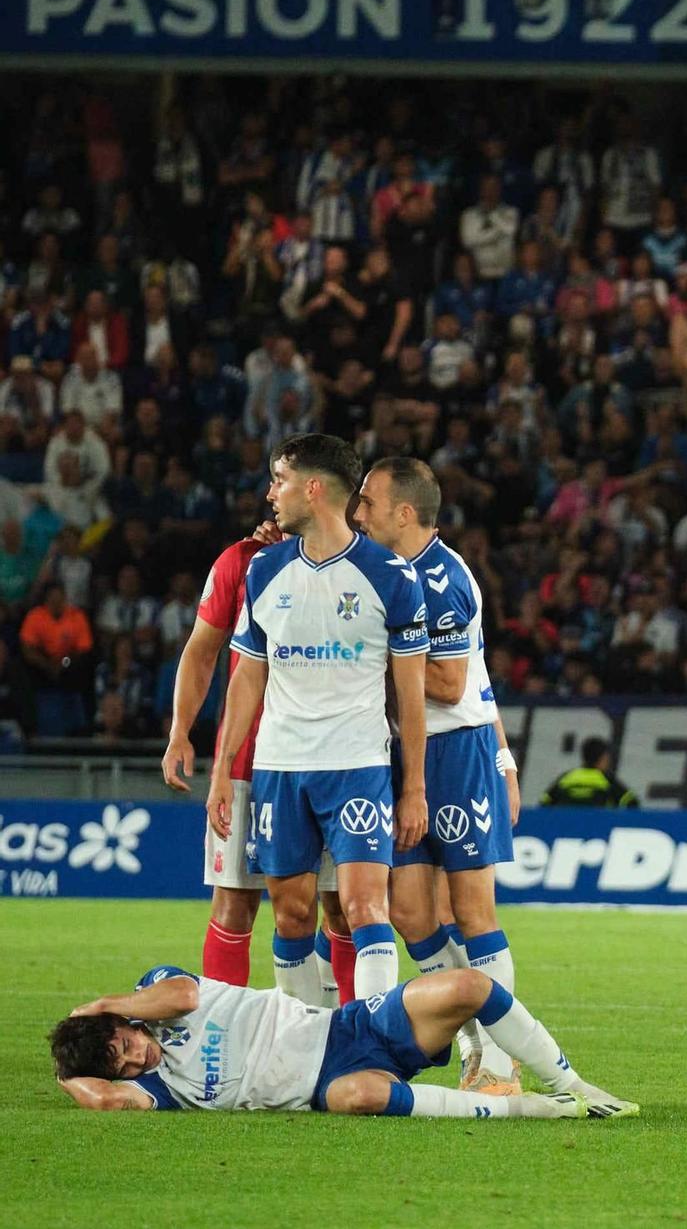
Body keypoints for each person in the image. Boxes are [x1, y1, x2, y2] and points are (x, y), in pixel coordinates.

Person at [205, 433, 429, 1004]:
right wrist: (221, 774)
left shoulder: (391, 575)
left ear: (312, 488)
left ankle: (374, 1042)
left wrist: (415, 788)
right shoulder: (264, 571)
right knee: (291, 914)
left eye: (279, 481)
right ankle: (304, 1048)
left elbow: (411, 693)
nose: (270, 494)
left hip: (357, 764)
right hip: (280, 766)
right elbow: (247, 678)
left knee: (362, 907)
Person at [351, 456, 527, 1092]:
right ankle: (478, 1030)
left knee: (475, 911)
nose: (358, 514)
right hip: (403, 754)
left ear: (404, 512)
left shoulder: (443, 577)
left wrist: (371, 661)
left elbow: (455, 682)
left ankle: (502, 1064)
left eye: (368, 502)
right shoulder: (384, 571)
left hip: (455, 754)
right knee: (409, 911)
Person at [49, 963, 634, 1119]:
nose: (137, 1056)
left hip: (347, 1028)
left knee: (469, 987)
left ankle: (573, 1084)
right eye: (124, 1065)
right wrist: (68, 1073)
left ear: (124, 1023)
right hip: (325, 1085)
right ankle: (530, 1108)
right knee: (362, 1097)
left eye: (125, 1042)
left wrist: (102, 1006)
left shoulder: (154, 994)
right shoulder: (161, 1089)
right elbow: (103, 1099)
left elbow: (185, 996)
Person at [162, 520, 351, 1001]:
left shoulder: (360, 562)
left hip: (338, 758)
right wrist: (180, 730)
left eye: (281, 482)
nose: (272, 496)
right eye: (271, 483)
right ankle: (225, 1041)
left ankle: (344, 1037)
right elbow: (201, 651)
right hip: (249, 760)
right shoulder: (241, 561)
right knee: (234, 902)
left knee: (345, 907)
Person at [543, 738, 640, 807]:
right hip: (599, 830)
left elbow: (544, 802)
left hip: (565, 830)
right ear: (603, 758)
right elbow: (631, 802)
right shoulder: (606, 779)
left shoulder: (566, 777)